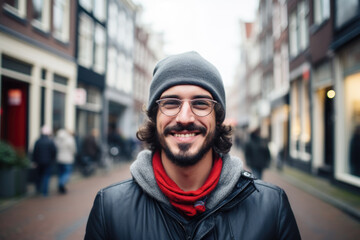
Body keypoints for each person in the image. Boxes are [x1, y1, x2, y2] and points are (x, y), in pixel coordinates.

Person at [85, 51, 300, 239]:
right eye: (170, 103)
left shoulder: (272, 207)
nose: (185, 117)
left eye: (200, 103)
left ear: (217, 118)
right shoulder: (109, 209)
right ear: (154, 117)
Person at [32, 125, 57, 196]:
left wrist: (34, 161)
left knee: (39, 176)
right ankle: (45, 192)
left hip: (39, 162)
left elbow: (34, 152)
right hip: (48, 162)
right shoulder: (50, 141)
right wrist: (52, 160)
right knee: (46, 176)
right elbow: (54, 151)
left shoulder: (38, 141)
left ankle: (38, 189)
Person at [54, 129, 77, 194]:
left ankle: (60, 185)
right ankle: (62, 183)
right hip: (67, 159)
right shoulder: (70, 139)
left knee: (60, 173)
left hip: (59, 159)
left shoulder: (57, 139)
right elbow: (73, 149)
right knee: (67, 173)